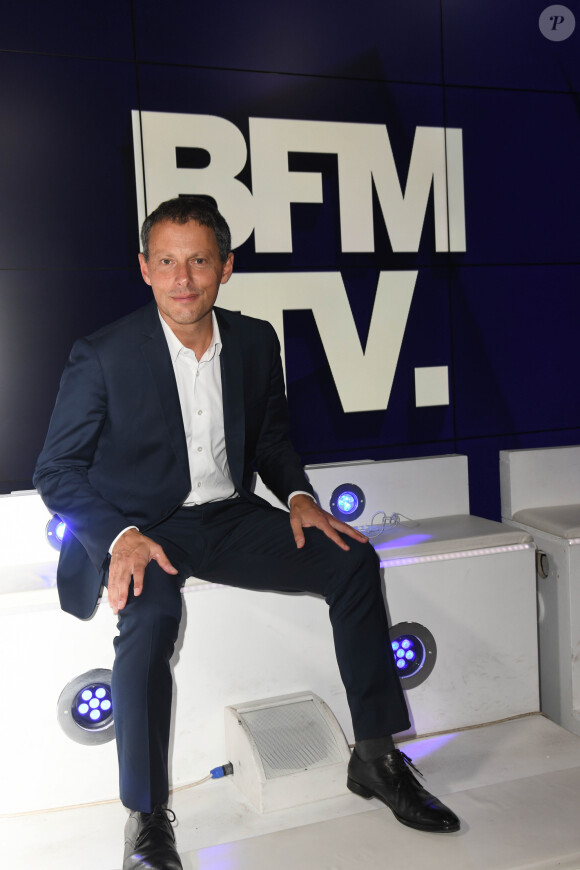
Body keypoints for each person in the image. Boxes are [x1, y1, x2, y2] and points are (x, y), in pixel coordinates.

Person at [34, 197, 459, 869]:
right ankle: (146, 820)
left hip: (228, 518)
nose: (183, 279)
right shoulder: (103, 355)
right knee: (147, 625)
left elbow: (270, 439)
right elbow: (56, 470)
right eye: (167, 262)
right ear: (144, 269)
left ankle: (376, 757)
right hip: (146, 529)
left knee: (352, 560)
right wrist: (120, 537)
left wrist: (296, 496)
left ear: (225, 267)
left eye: (199, 261)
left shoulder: (257, 340)